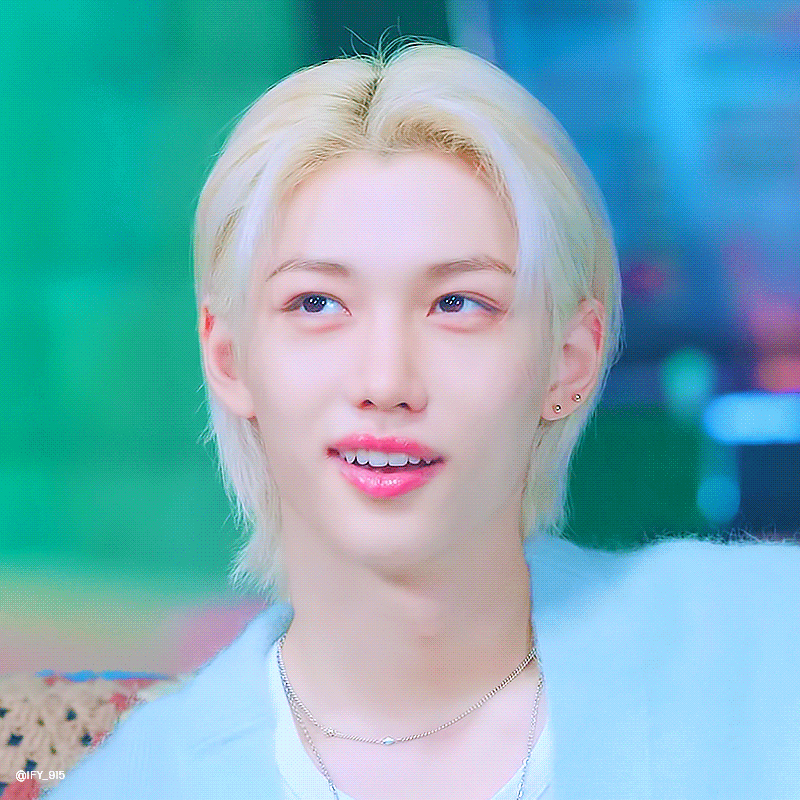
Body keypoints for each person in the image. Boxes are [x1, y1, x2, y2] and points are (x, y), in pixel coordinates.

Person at [44, 38, 800, 800]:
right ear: (230, 358)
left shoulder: (768, 646)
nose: (386, 382)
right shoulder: (141, 783)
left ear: (569, 361)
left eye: (457, 303)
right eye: (316, 303)